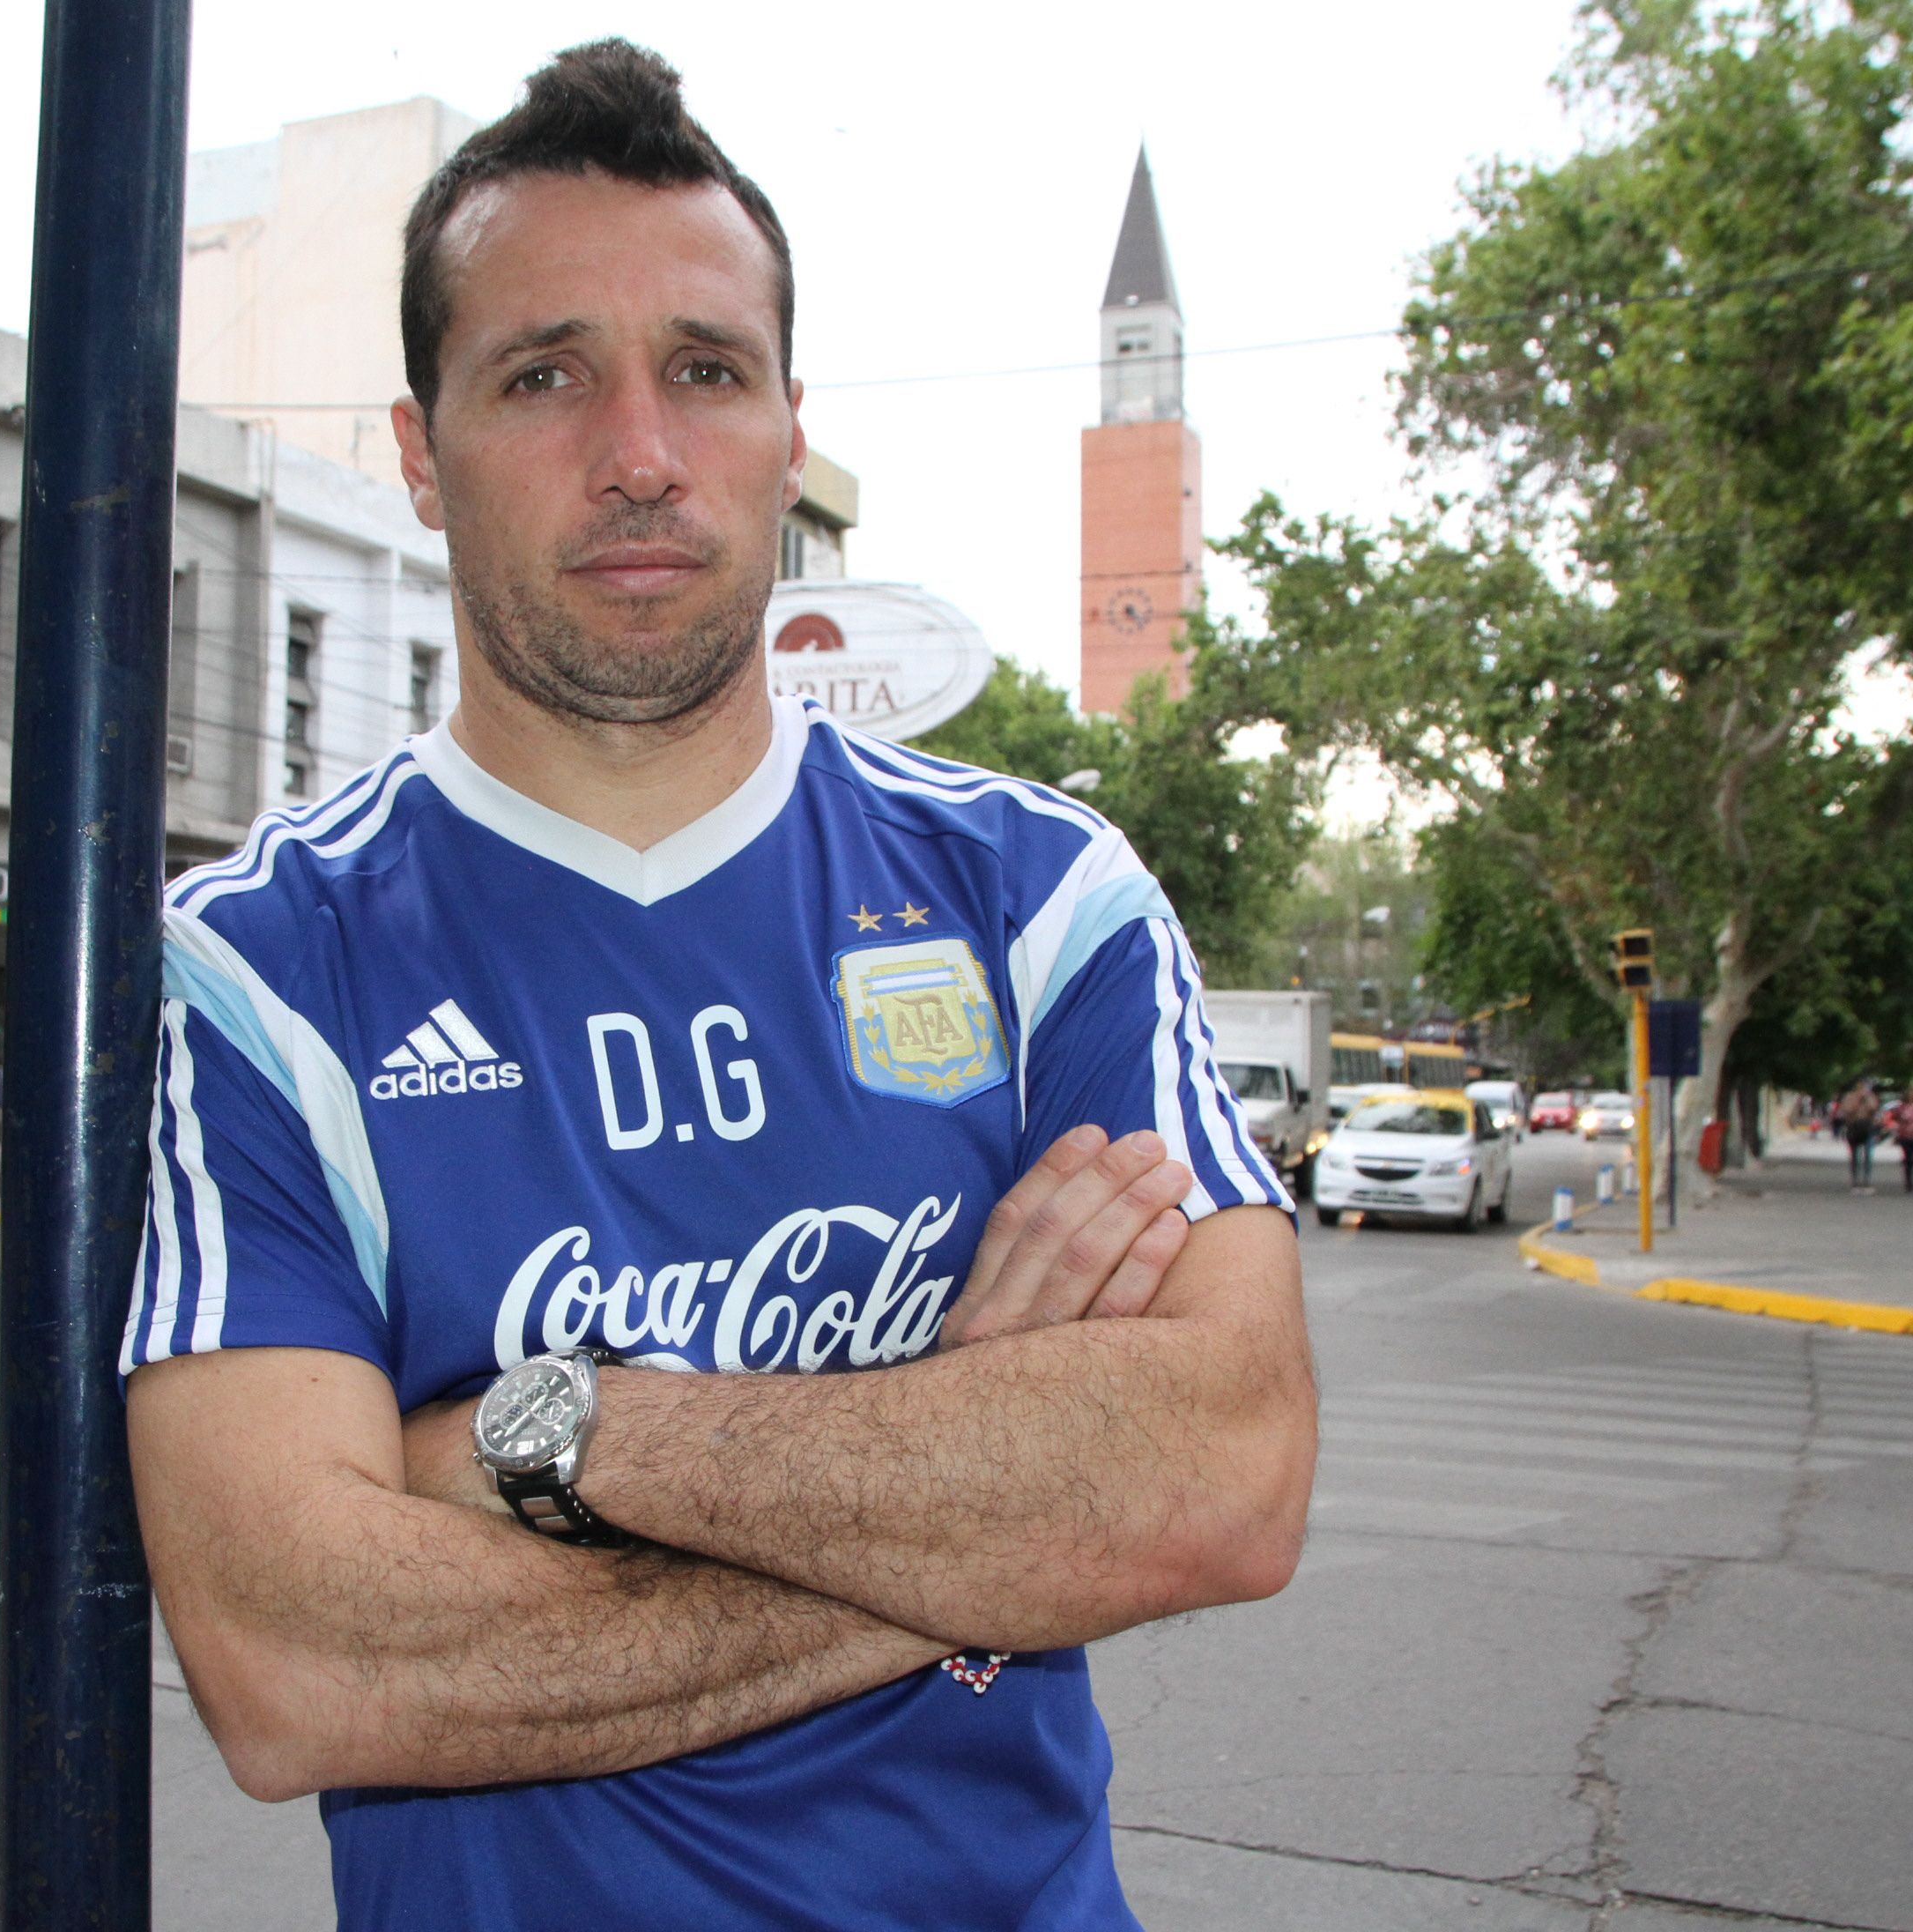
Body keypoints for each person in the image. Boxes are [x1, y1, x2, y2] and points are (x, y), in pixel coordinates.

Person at [120, 42, 1315, 1932]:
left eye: (703, 370)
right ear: (419, 454)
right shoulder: (264, 963)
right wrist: (983, 1492)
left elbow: (1222, 1472)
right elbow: (299, 1658)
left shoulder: (1036, 898)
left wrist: (541, 1434)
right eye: (542, 375)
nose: (639, 455)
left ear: (783, 429)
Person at [1834, 1079, 1881, 1193]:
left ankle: (1867, 1180)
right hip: (1854, 1128)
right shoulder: (1850, 1097)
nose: (1863, 1089)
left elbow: (1874, 1109)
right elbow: (1847, 1110)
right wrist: (1858, 1101)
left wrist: (1867, 1100)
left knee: (1868, 1155)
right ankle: (1855, 1180)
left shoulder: (1871, 1097)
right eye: (1860, 1087)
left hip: (1867, 1128)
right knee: (1854, 1156)